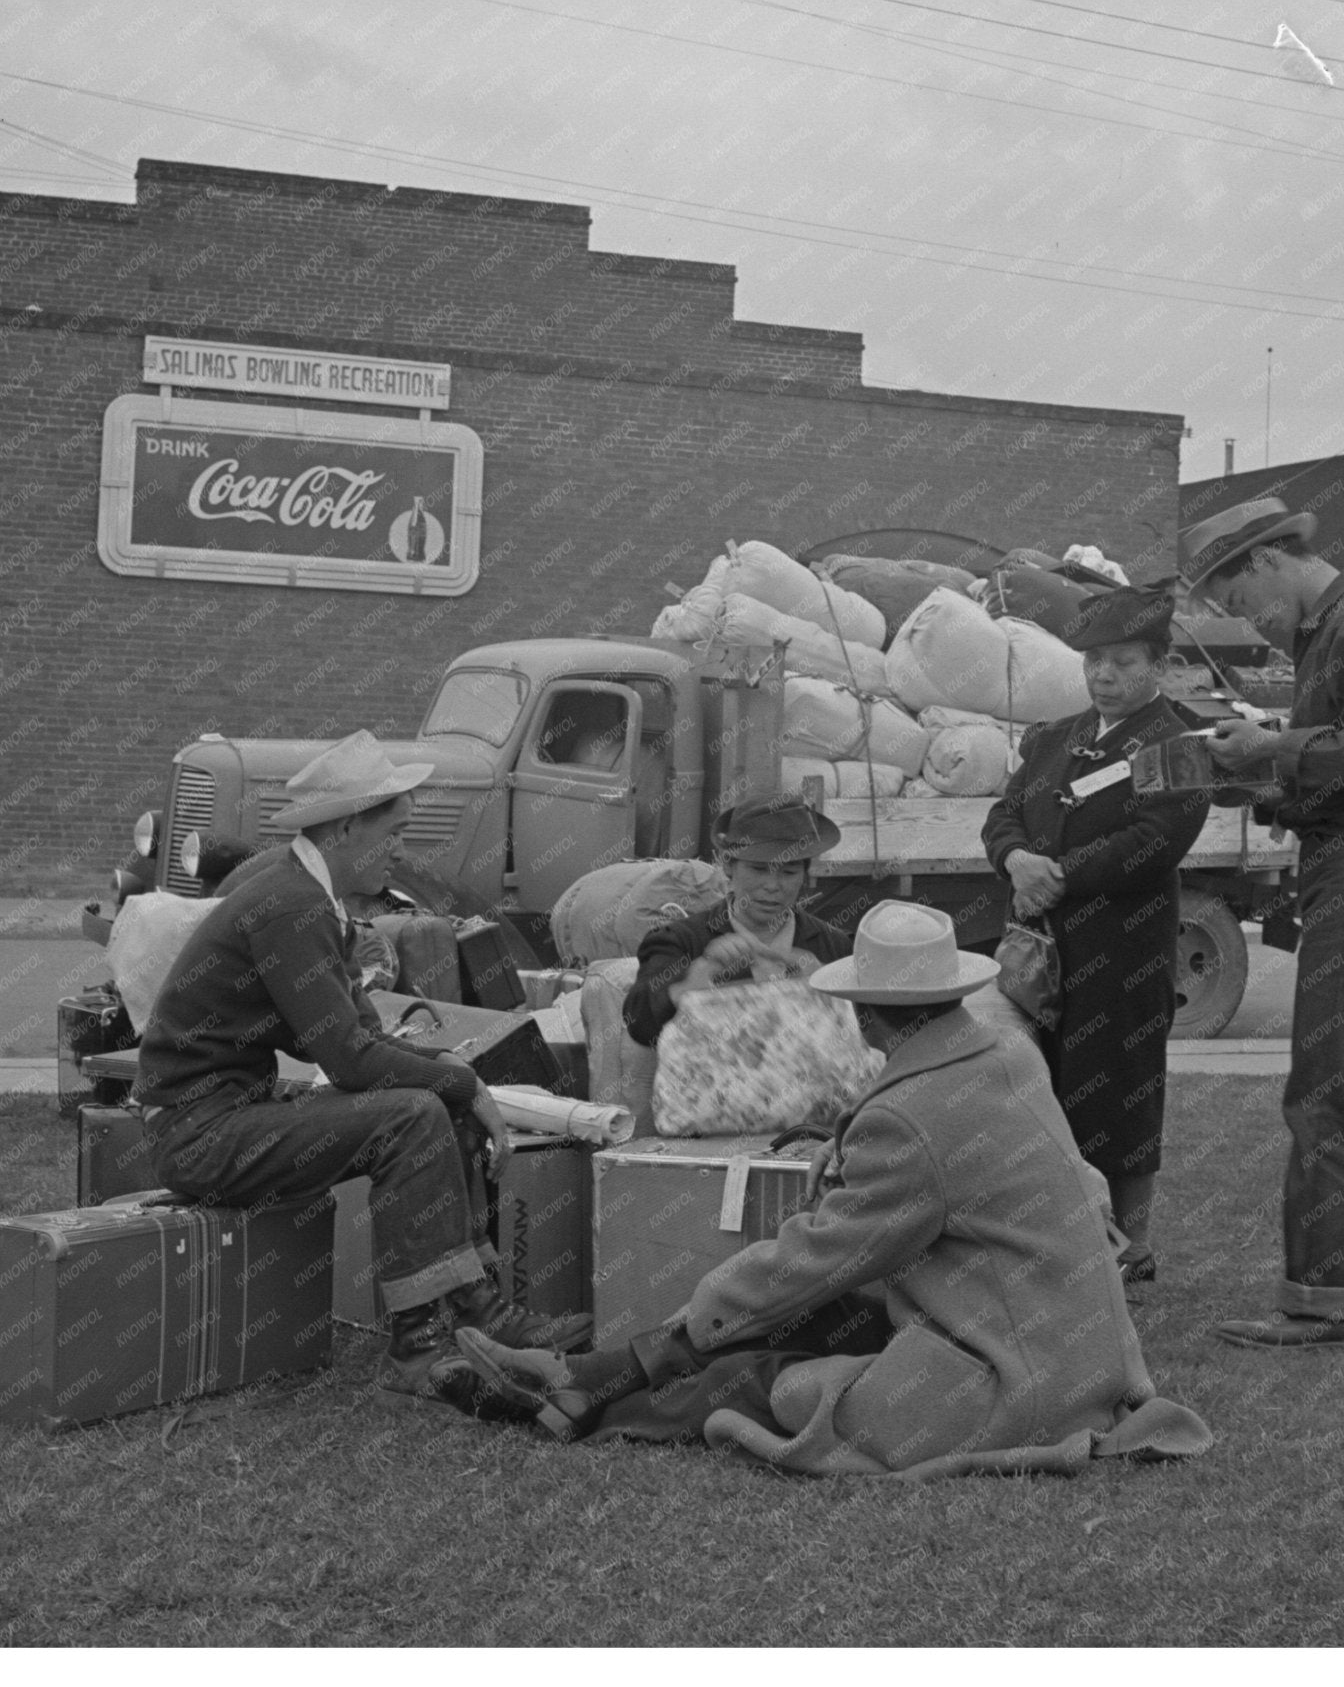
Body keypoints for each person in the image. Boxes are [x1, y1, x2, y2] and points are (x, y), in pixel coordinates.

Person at [453, 901, 1212, 1478]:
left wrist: (685, 1327)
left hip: (1016, 1383)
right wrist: (852, 1147)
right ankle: (583, 1381)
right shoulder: (1005, 1055)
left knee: (760, 1377)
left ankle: (578, 1397)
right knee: (815, 1323)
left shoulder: (910, 1121)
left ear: (866, 1009)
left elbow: (813, 1258)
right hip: (1068, 1351)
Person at [133, 730, 583, 1415]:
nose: (402, 850)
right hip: (197, 1131)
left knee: (428, 1098)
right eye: (393, 831)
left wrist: (450, 1079)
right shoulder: (293, 904)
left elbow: (356, 1038)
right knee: (413, 1112)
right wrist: (461, 1082)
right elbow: (347, 1060)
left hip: (219, 1112)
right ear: (347, 828)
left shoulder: (309, 894)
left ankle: (477, 1314)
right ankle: (420, 1344)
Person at [1189, 497, 1344, 1347]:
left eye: (1238, 605)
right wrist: (1262, 785)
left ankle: (1323, 1302)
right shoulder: (1338, 628)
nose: (1250, 628)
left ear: (1265, 563)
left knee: (1324, 1096)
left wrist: (1270, 751)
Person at [979, 583, 1211, 1282]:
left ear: (1160, 666)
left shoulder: (1179, 746)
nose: (1104, 676)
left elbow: (1156, 840)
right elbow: (1005, 813)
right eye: (1094, 663)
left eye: (1123, 661)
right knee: (1037, 1091)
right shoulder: (1057, 738)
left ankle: (1129, 1251)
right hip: (1043, 953)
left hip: (1123, 953)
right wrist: (1015, 859)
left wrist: (1059, 875)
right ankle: (1059, 1241)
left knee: (1120, 1093)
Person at [621, 794, 853, 1047]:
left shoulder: (834, 946)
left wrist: (829, 988)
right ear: (729, 866)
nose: (773, 886)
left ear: (805, 875)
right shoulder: (680, 941)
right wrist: (693, 982)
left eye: (788, 872)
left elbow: (869, 1034)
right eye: (758, 869)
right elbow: (639, 1025)